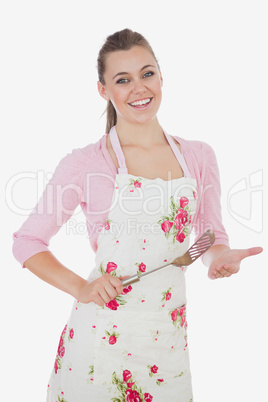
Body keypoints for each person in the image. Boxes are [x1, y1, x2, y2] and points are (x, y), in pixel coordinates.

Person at [12, 28, 262, 402]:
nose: (139, 88)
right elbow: (27, 242)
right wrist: (82, 287)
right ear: (104, 90)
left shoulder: (198, 155)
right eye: (122, 80)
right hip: (101, 341)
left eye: (147, 74)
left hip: (167, 343)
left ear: (162, 76)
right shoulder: (86, 163)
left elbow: (209, 234)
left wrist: (219, 255)